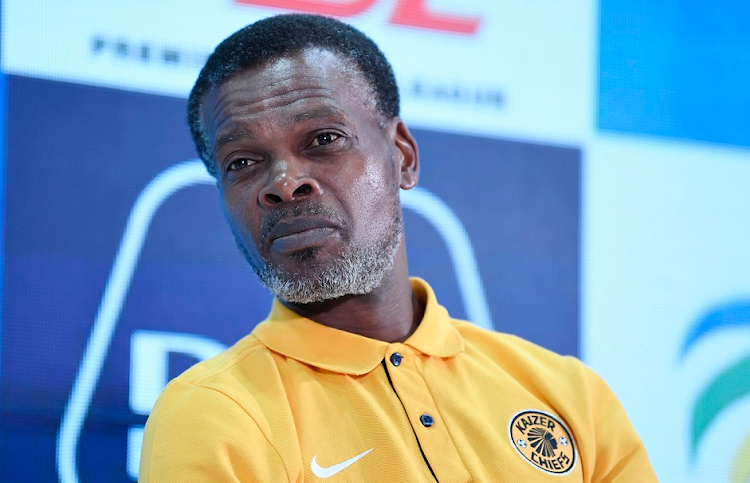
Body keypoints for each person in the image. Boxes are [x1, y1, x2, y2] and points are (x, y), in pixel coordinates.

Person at [139, 14, 657, 482]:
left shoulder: (570, 396)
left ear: (403, 156)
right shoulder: (213, 412)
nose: (284, 182)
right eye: (242, 162)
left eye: (323, 139)